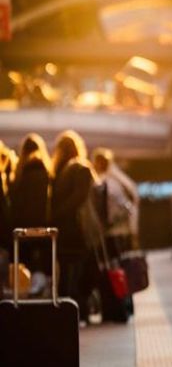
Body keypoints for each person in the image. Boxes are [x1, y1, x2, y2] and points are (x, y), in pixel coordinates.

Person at [50, 130, 98, 314]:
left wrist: (55, 216)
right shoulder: (82, 169)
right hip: (78, 231)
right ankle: (79, 312)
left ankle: (65, 312)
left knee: (65, 275)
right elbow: (80, 198)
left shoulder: (58, 172)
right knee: (79, 273)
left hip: (62, 231)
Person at [8, 134, 53, 286]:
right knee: (39, 266)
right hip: (43, 226)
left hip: (21, 226)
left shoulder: (20, 174)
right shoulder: (47, 173)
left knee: (23, 264)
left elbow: (14, 201)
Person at [92, 148, 139, 255]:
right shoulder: (113, 181)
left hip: (114, 232)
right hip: (118, 231)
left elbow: (123, 205)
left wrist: (111, 221)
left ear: (99, 163)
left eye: (95, 161)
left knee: (117, 265)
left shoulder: (106, 183)